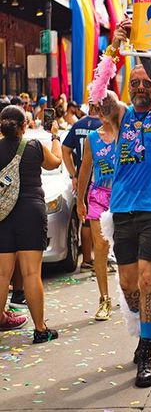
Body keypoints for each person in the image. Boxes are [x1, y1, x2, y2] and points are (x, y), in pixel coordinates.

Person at [98, 18, 151, 388]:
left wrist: (143, 49)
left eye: (146, 82)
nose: (142, 87)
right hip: (122, 211)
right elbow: (98, 95)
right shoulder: (121, 116)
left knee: (147, 280)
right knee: (129, 287)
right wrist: (115, 46)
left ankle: (145, 349)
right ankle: (149, 324)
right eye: (136, 83)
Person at [0, 105, 64, 341]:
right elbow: (55, 162)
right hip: (30, 212)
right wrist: (55, 135)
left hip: (3, 215)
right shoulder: (34, 146)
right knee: (30, 273)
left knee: (2, 274)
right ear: (24, 126)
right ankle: (40, 329)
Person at [75, 93, 119, 321]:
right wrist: (80, 200)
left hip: (123, 197)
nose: (102, 114)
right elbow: (85, 168)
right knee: (100, 247)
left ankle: (132, 290)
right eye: (98, 109)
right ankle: (104, 299)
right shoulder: (92, 137)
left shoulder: (125, 134)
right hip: (98, 197)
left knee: (124, 248)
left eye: (106, 108)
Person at [62, 99, 103, 270]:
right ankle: (101, 257)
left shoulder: (78, 124)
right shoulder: (103, 125)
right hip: (100, 178)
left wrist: (74, 174)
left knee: (85, 220)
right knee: (101, 218)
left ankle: (86, 259)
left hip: (82, 178)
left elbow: (65, 149)